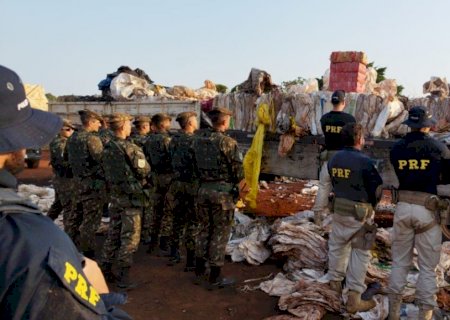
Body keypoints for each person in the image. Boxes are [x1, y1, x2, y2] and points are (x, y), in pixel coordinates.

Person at [0, 65, 131, 319]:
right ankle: (90, 248)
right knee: (91, 219)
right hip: (92, 187)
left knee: (74, 214)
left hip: (72, 184)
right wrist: (100, 299)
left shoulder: (72, 141)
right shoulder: (29, 244)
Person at [387, 106, 450, 320]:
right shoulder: (439, 148)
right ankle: (425, 315)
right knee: (427, 269)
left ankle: (393, 313)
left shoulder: (396, 149)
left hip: (403, 209)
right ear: (427, 125)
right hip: (427, 210)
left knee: (399, 263)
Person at [326, 123, 382, 313]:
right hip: (359, 215)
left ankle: (334, 288)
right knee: (360, 253)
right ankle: (354, 299)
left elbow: (333, 183)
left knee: (337, 247)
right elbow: (376, 190)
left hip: (339, 211)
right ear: (359, 139)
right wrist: (372, 207)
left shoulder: (333, 159)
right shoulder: (365, 162)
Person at [191, 107, 243, 289]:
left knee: (204, 229)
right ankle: (215, 275)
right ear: (224, 121)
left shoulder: (197, 141)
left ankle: (198, 270)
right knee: (219, 233)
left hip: (202, 190)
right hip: (222, 194)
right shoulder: (227, 143)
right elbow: (238, 172)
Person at [100, 113, 150, 289]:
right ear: (122, 127)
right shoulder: (130, 148)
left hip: (115, 198)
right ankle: (124, 276)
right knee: (129, 238)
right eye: (129, 124)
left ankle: (105, 270)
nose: (131, 127)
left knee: (113, 234)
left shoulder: (107, 148)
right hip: (131, 199)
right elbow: (144, 171)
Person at [312, 90, 356, 225]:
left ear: (332, 102)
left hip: (329, 158)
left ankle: (318, 216)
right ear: (344, 102)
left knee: (324, 186)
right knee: (343, 187)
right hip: (344, 159)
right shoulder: (349, 119)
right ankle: (340, 217)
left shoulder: (324, 119)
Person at [67, 109, 106, 258]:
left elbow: (67, 159)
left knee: (75, 217)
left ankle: (68, 246)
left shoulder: (72, 138)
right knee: (90, 220)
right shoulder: (92, 139)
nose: (99, 125)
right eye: (97, 122)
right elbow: (101, 160)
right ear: (90, 122)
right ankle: (88, 253)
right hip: (92, 185)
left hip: (77, 183)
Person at [166, 111, 199, 270]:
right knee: (192, 222)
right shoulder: (194, 141)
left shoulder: (173, 140)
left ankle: (174, 253)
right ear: (190, 123)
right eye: (195, 120)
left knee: (177, 220)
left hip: (176, 184)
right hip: (191, 186)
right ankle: (191, 260)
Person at [143, 113, 173, 255]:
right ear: (163, 124)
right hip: (167, 178)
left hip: (154, 176)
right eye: (168, 122)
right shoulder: (167, 140)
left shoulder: (148, 140)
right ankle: (164, 243)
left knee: (155, 210)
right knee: (167, 210)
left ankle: (152, 241)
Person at [47, 119, 76, 222]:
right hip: (64, 179)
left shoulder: (65, 142)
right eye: (68, 129)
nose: (71, 132)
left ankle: (45, 223)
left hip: (62, 178)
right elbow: (63, 161)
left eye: (72, 129)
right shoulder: (60, 143)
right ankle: (69, 232)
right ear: (60, 130)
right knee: (69, 206)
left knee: (58, 204)